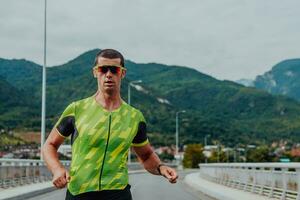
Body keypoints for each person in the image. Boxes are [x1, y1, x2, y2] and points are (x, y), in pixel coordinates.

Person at [42, 49, 178, 200]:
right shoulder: (76, 109)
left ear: (122, 73)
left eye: (114, 70)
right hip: (79, 193)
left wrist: (161, 167)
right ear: (95, 72)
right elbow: (50, 145)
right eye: (102, 69)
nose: (108, 74)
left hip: (118, 194)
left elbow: (146, 155)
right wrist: (57, 169)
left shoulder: (134, 117)